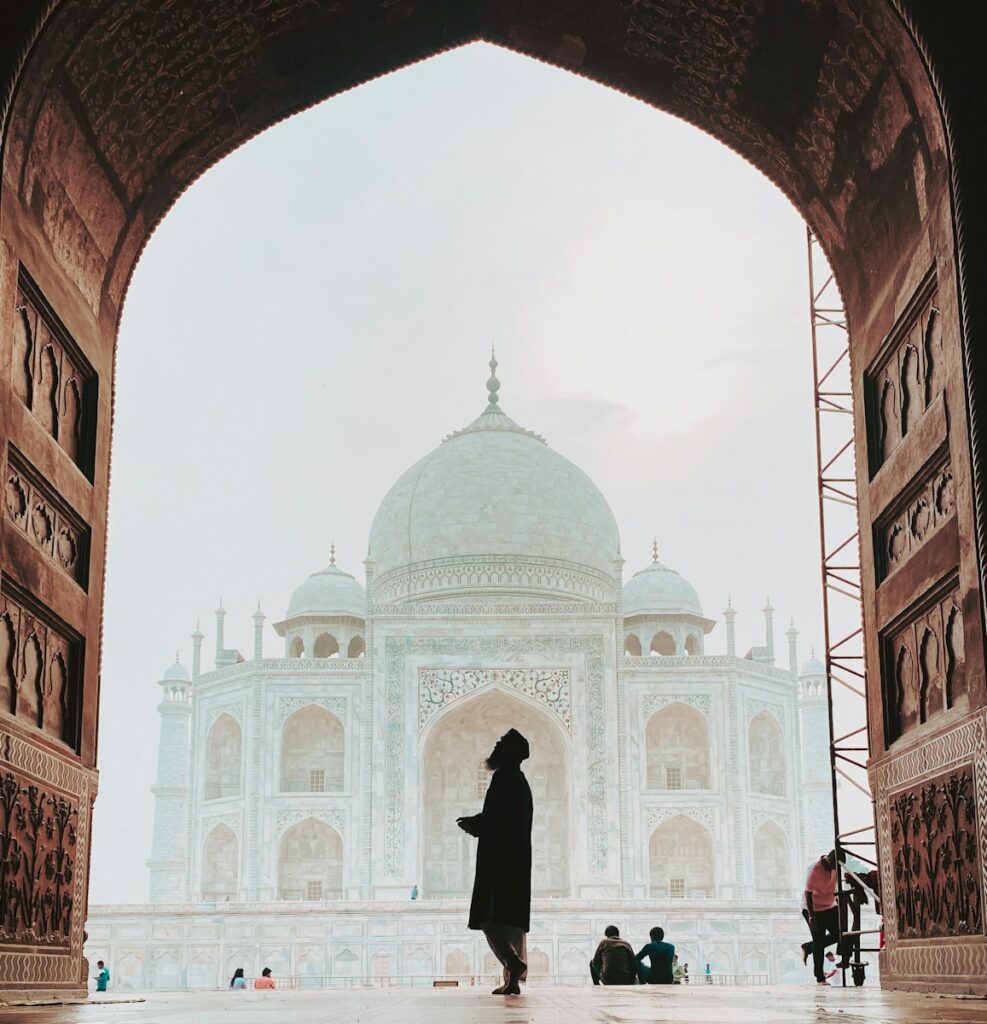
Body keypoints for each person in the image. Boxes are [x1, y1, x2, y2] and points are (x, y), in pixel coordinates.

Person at [457, 728, 533, 997]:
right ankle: (512, 981)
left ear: (508, 752)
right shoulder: (520, 781)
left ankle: (513, 963)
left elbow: (497, 818)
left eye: (501, 744)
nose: (496, 747)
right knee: (508, 923)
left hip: (500, 861)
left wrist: (474, 824)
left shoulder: (504, 778)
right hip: (518, 861)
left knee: (489, 920)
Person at [800, 849, 845, 985]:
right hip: (812, 908)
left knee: (840, 935)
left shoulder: (835, 867)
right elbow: (808, 893)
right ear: (829, 861)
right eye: (835, 866)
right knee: (819, 941)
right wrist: (812, 917)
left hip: (829, 905)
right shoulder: (815, 869)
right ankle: (820, 977)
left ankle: (808, 948)